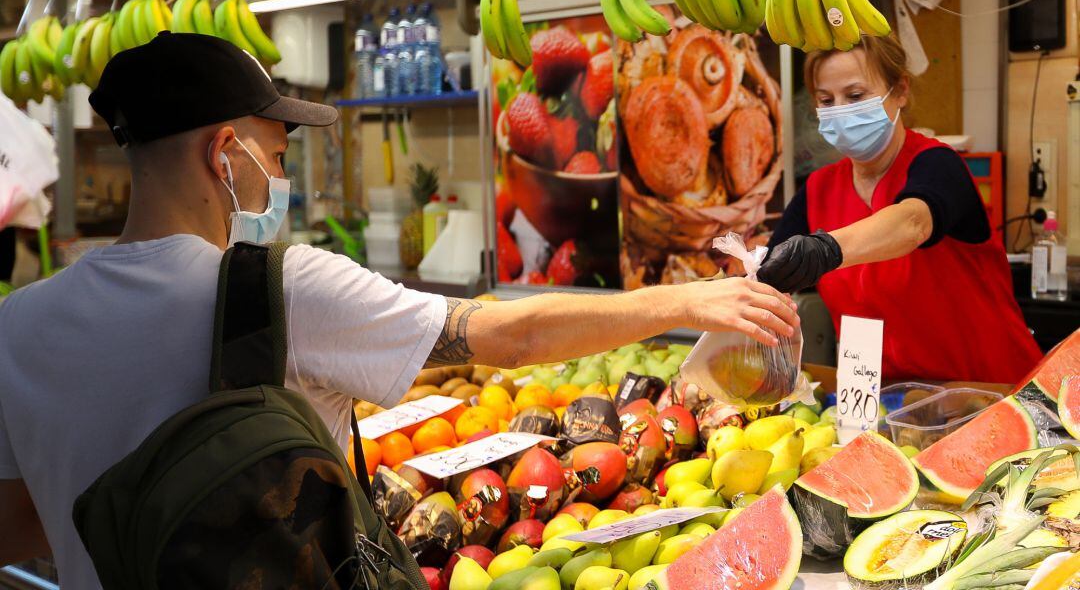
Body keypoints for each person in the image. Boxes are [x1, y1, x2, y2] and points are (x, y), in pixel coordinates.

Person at [0, 33, 798, 588]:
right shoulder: (275, 288)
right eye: (275, 157)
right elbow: (505, 334)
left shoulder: (19, 327)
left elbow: (19, 530)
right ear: (223, 154)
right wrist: (684, 299)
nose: (280, 180)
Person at [758, 34, 1041, 383]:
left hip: (989, 389)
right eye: (826, 100)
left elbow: (912, 223)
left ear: (901, 90)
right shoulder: (818, 189)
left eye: (856, 96)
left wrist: (826, 249)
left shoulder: (937, 164)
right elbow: (766, 272)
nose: (841, 111)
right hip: (887, 400)